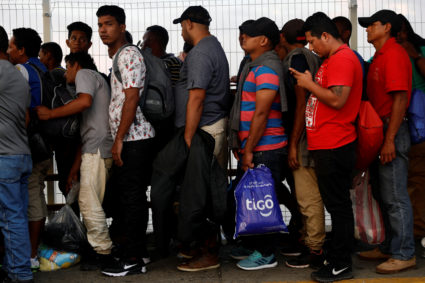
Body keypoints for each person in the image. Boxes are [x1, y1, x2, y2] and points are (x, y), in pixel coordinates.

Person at [151, 5, 231, 271]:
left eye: (182, 26)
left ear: (188, 24)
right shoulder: (213, 47)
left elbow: (196, 98)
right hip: (206, 128)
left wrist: (187, 137)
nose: (181, 32)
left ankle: (208, 253)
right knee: (197, 191)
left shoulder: (200, 53)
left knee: (201, 195)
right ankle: (194, 245)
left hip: (202, 131)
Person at [291, 12, 362, 282]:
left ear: (325, 36)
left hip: (336, 144)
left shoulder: (343, 58)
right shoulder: (331, 59)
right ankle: (335, 258)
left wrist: (309, 84)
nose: (311, 47)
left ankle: (341, 263)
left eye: (312, 41)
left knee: (339, 207)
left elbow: (338, 99)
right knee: (335, 205)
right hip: (326, 145)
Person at [35, 52, 114, 271]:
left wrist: (50, 114)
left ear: (75, 65)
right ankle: (100, 249)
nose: (66, 73)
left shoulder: (85, 74)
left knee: (89, 205)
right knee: (90, 202)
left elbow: (84, 102)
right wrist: (74, 169)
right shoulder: (97, 78)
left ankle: (103, 252)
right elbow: (85, 134)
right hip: (95, 148)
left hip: (97, 149)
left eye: (67, 68)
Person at [97, 5, 154, 276]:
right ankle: (136, 253)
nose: (103, 30)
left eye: (108, 24)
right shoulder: (121, 56)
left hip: (134, 138)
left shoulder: (129, 54)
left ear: (122, 27)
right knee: (129, 197)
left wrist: (119, 139)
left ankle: (133, 258)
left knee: (132, 198)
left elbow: (132, 97)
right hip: (131, 138)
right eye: (100, 25)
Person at [357, 10, 416, 274]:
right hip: (381, 131)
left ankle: (405, 253)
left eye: (372, 25)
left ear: (387, 27)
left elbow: (400, 100)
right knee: (384, 193)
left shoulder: (393, 54)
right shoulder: (381, 56)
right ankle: (391, 245)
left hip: (391, 130)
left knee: (394, 195)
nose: (368, 28)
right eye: (367, 25)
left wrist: (390, 139)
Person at [228, 17, 288, 271]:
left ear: (263, 40)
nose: (242, 37)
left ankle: (266, 253)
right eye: (242, 33)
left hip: (267, 148)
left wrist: (249, 149)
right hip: (258, 147)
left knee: (261, 199)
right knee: (254, 197)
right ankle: (256, 244)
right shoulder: (254, 66)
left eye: (248, 34)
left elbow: (262, 114)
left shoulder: (266, 69)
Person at [278, 18, 324, 269]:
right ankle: (308, 241)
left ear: (282, 37)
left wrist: (293, 143)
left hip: (305, 136)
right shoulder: (310, 56)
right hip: (315, 132)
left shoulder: (296, 59)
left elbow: (301, 103)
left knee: (308, 197)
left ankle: (314, 249)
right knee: (307, 195)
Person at [7, 27, 51, 271]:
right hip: (44, 142)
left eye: (12, 46)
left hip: (28, 143)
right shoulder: (41, 68)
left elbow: (20, 110)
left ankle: (29, 254)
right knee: (38, 194)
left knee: (29, 198)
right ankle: (33, 251)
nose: (9, 50)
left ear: (21, 50)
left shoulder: (20, 70)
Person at [0, 25, 34, 283]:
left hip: (6, 158)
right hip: (21, 154)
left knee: (11, 218)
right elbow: (24, 118)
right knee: (17, 216)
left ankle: (20, 274)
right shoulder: (16, 75)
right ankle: (16, 268)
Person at [397, 13, 425, 259]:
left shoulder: (420, 49)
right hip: (412, 128)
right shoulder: (389, 55)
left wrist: (415, 55)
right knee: (413, 181)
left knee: (417, 181)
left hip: (419, 125)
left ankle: (417, 234)